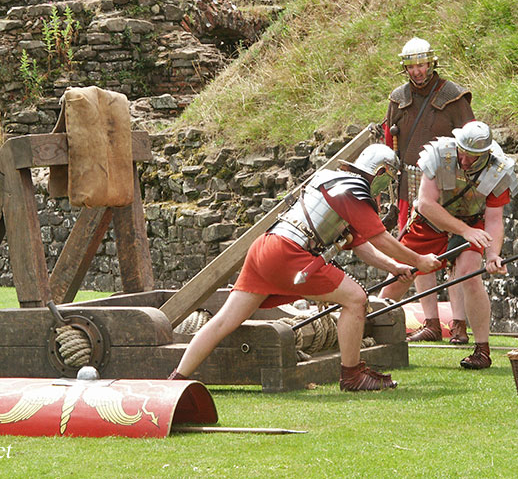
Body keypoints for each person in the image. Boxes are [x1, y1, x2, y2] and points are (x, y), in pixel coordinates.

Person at [168, 144, 442, 391]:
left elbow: (360, 244)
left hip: (266, 247)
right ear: (381, 172)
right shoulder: (353, 191)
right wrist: (417, 260)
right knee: (356, 299)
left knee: (224, 321)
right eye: (387, 179)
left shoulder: (331, 181)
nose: (386, 186)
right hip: (290, 253)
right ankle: (352, 374)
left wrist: (394, 266)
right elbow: (379, 238)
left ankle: (177, 378)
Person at [379, 121, 518, 369]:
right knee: (401, 274)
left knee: (470, 276)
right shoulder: (439, 155)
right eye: (462, 152)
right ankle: (370, 336)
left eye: (473, 156)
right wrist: (465, 230)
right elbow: (425, 204)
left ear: (486, 154)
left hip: (472, 223)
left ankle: (482, 351)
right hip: (430, 222)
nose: (465, 160)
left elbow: (495, 219)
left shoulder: (498, 170)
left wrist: (493, 255)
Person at [383, 37, 475, 345]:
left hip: (450, 188)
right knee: (418, 255)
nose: (417, 71)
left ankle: (459, 325)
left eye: (421, 64)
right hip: (410, 187)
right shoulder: (398, 99)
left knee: (458, 253)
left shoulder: (453, 96)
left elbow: (471, 141)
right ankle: (432, 322)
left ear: (431, 63)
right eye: (411, 66)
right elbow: (388, 145)